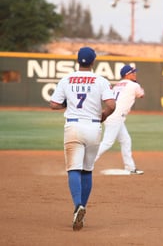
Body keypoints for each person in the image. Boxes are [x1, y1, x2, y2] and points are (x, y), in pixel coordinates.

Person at [49, 46, 116, 231]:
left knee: (73, 169)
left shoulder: (66, 79)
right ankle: (81, 209)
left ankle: (77, 204)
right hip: (94, 127)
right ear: (93, 62)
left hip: (73, 126)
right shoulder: (100, 80)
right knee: (87, 170)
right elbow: (111, 104)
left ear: (78, 61)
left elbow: (54, 104)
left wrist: (66, 103)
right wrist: (104, 115)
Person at [94, 65, 145, 174]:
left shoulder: (117, 85)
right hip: (115, 117)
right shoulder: (133, 85)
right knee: (107, 143)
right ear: (127, 74)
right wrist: (137, 85)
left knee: (126, 140)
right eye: (133, 72)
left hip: (113, 115)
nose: (135, 74)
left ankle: (130, 168)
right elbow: (141, 95)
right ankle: (87, 164)